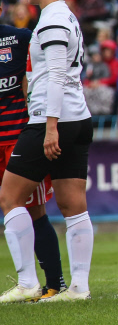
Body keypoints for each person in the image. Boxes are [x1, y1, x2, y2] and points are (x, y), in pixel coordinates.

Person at [0, 0, 94, 302]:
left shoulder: (53, 18)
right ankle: (79, 288)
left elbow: (55, 74)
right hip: (77, 117)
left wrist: (50, 127)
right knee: (73, 206)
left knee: (10, 197)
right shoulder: (63, 15)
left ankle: (26, 282)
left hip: (52, 119)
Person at [0, 22, 67, 302]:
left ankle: (54, 283)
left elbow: (40, 77)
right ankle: (27, 281)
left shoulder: (21, 38)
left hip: (18, 139)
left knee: (35, 211)